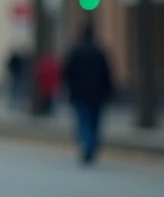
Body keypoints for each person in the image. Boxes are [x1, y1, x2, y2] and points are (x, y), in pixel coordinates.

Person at [62, 23, 114, 165]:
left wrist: (69, 89)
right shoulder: (99, 51)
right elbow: (107, 73)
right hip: (98, 93)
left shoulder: (75, 51)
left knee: (84, 121)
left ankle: (88, 144)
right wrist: (109, 91)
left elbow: (68, 72)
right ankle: (92, 143)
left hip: (80, 93)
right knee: (94, 121)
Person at [34, 50, 61, 115]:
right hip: (50, 85)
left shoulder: (44, 64)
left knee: (46, 99)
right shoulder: (53, 65)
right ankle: (48, 110)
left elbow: (40, 74)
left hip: (45, 85)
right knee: (48, 99)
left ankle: (46, 110)